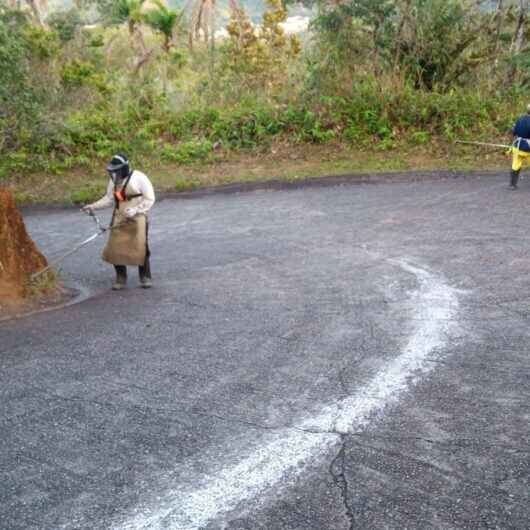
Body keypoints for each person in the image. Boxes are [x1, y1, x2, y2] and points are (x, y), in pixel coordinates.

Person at [82, 154, 155, 290]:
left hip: (137, 218)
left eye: (117, 170)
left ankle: (145, 277)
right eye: (113, 170)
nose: (115, 173)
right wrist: (93, 206)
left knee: (141, 247)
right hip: (119, 218)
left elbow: (150, 198)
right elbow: (109, 199)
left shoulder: (139, 177)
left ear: (125, 168)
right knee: (115, 249)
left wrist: (136, 209)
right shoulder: (114, 180)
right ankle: (121, 278)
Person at [509, 104, 530, 189]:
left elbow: (513, 132)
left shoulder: (519, 119)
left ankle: (512, 184)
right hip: (528, 148)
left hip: (517, 147)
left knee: (515, 165)